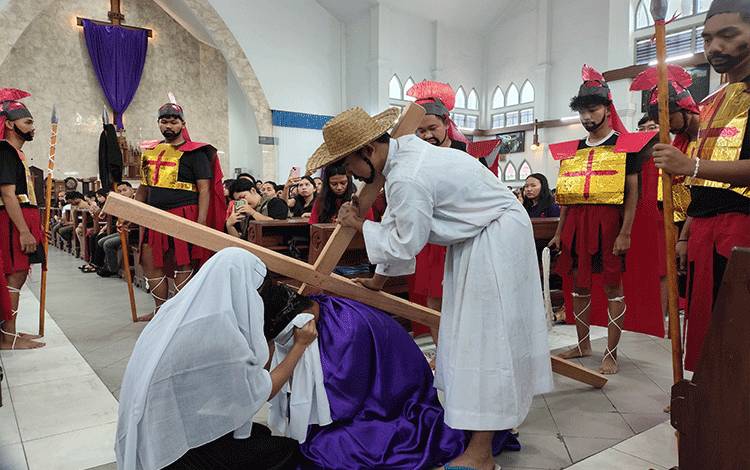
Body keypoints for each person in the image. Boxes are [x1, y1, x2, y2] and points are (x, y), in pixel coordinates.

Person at [306, 107, 552, 470]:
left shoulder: (407, 176)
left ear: (369, 151)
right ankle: (490, 426)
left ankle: (480, 455)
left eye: (348, 164)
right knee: (473, 340)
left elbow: (404, 244)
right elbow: (399, 227)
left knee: (485, 343)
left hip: (493, 238)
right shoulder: (402, 158)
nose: (351, 174)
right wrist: (376, 282)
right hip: (481, 235)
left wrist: (359, 225)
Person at [260, 282, 520, 469]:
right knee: (307, 442)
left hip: (390, 409)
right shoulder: (320, 311)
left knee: (323, 449)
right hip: (371, 404)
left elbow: (345, 401)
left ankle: (481, 437)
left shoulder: (345, 330)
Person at [116, 248, 312, 470]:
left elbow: (233, 393)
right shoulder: (219, 331)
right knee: (285, 450)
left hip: (152, 434)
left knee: (260, 433)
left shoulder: (181, 313)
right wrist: (299, 346)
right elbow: (260, 390)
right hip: (170, 456)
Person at [652, 0, 750, 372]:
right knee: (710, 332)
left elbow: (701, 169)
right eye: (708, 39)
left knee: (737, 334)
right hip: (707, 231)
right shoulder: (714, 101)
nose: (715, 47)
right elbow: (706, 184)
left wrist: (690, 164)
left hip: (743, 228)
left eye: (728, 35)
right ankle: (710, 398)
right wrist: (686, 234)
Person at [548, 65, 657, 374]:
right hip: (576, 223)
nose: (587, 117)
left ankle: (611, 351)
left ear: (608, 109)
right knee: (579, 286)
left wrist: (625, 232)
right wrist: (559, 232)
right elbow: (567, 196)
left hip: (608, 224)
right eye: (582, 112)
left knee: (612, 286)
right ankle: (583, 344)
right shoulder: (573, 150)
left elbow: (633, 193)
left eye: (592, 110)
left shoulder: (625, 145)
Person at [130, 102, 226, 321]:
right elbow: (143, 189)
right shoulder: (150, 152)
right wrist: (131, 214)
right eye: (164, 121)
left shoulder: (196, 153)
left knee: (183, 263)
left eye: (173, 121)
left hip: (185, 214)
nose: (168, 126)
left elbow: (204, 189)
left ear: (183, 124)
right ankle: (161, 313)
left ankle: (181, 314)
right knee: (150, 262)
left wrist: (200, 223)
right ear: (158, 123)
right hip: (154, 216)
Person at [407, 80, 473, 362]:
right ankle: (443, 355)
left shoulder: (466, 155)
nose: (427, 135)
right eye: (420, 131)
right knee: (433, 300)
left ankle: (465, 354)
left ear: (447, 123)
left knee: (464, 299)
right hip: (431, 236)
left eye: (432, 128)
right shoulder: (417, 158)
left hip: (462, 236)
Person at [631, 65, 701, 330]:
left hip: (700, 221)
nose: (666, 126)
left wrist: (684, 235)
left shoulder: (703, 137)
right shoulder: (678, 143)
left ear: (685, 108)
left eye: (667, 117)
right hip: (679, 222)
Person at [0, 89, 44, 349]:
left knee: (15, 277)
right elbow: (8, 194)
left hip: (21, 217)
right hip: (11, 220)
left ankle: (8, 332)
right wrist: (25, 231)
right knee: (13, 278)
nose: (32, 127)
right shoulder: (5, 150)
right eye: (27, 122)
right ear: (9, 124)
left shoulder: (16, 152)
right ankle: (8, 338)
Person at [308, 163, 373, 224]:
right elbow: (313, 227)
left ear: (349, 181)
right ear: (327, 184)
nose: (339, 187)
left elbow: (369, 227)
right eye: (334, 184)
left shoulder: (360, 201)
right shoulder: (320, 201)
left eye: (343, 183)